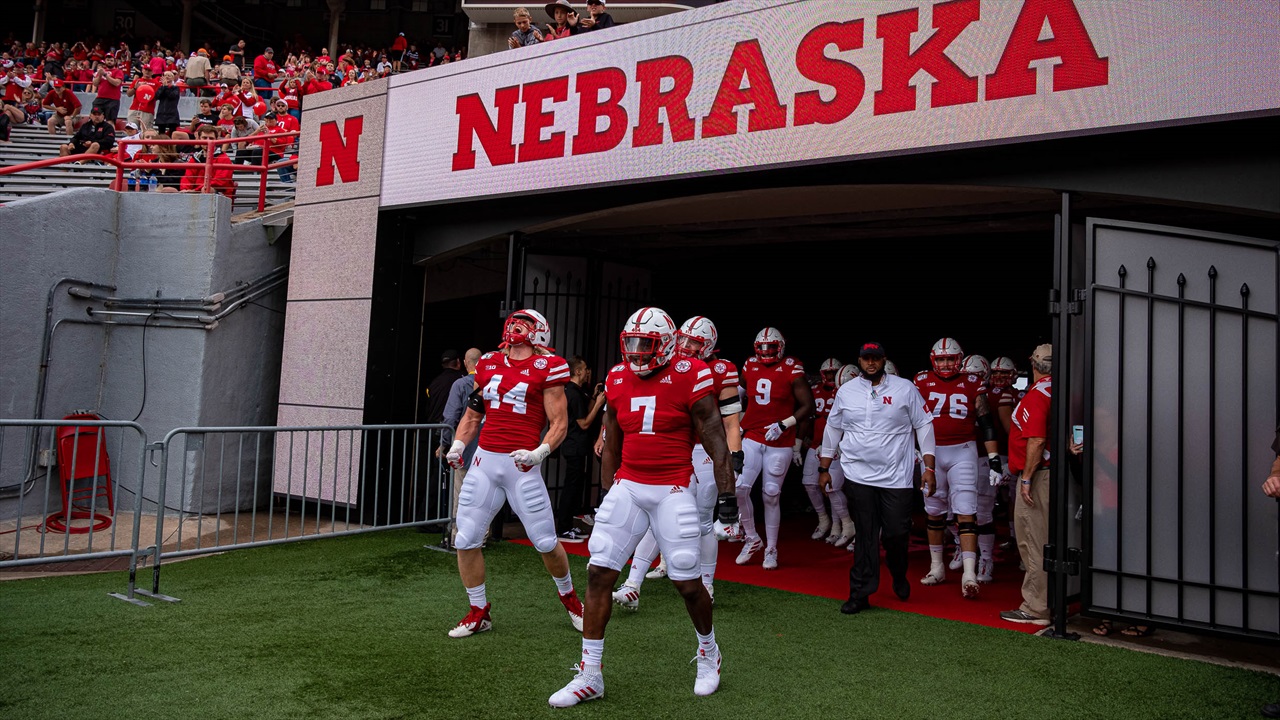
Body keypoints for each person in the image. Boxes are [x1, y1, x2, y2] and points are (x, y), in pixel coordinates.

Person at [549, 307, 735, 707]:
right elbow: (612, 438)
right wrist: (608, 491)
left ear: (665, 345)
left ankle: (709, 652)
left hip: (672, 486)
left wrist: (727, 496)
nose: (636, 351)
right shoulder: (618, 376)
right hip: (630, 484)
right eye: (631, 342)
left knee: (687, 581)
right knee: (599, 571)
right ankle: (590, 675)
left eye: (645, 344)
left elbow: (715, 436)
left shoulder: (690, 372)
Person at [442, 309, 583, 639]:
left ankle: (572, 601)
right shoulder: (489, 362)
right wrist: (459, 445)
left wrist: (539, 453)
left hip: (522, 465)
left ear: (540, 332)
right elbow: (473, 413)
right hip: (485, 462)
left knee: (546, 541)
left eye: (526, 322)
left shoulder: (548, 366)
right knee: (465, 539)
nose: (518, 325)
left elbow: (559, 423)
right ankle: (479, 612)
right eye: (515, 320)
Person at [612, 315, 743, 610]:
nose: (685, 345)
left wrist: (734, 457)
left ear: (708, 345)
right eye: (682, 338)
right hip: (672, 447)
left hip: (705, 450)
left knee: (703, 521)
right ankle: (633, 584)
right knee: (652, 515)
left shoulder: (721, 370)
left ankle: (706, 584)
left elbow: (731, 421)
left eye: (693, 342)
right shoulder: (664, 364)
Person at [819, 341, 936, 614]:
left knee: (896, 533)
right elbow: (832, 428)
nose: (871, 363)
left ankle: (898, 572)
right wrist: (824, 468)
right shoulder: (846, 391)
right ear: (859, 361)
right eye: (866, 358)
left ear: (884, 360)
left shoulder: (905, 388)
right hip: (857, 474)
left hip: (896, 475)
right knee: (866, 535)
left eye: (876, 358)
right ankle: (860, 593)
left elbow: (924, 425)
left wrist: (929, 467)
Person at [913, 338, 1003, 599]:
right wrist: (912, 448)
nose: (945, 364)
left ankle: (969, 573)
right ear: (933, 360)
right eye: (941, 359)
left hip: (963, 450)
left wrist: (994, 458)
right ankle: (937, 567)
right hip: (932, 451)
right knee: (934, 510)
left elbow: (986, 422)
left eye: (950, 359)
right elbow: (909, 419)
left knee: (966, 510)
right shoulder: (920, 381)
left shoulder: (973, 382)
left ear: (959, 359)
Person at [735, 326, 814, 569]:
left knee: (770, 494)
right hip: (753, 435)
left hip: (780, 439)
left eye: (771, 347)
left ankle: (771, 548)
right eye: (762, 347)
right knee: (739, 488)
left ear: (781, 347)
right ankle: (751, 537)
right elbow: (736, 394)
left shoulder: (792, 366)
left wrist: (784, 424)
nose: (767, 351)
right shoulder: (749, 365)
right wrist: (735, 421)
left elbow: (808, 405)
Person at [1000, 344, 1054, 626]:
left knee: (1033, 539)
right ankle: (1052, 600)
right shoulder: (1062, 388)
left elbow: (1036, 439)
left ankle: (1036, 607)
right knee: (1046, 538)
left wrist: (1027, 478)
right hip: (1052, 472)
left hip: (1039, 473)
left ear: (1033, 363)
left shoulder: (1038, 394)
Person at [803, 358, 856, 546]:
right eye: (828, 373)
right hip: (817, 443)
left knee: (832, 487)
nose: (832, 376)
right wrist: (802, 439)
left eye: (835, 373)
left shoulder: (846, 391)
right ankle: (824, 519)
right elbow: (808, 414)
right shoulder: (814, 390)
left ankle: (839, 525)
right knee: (809, 483)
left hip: (838, 445)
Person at [437, 348, 483, 546]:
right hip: (486, 449)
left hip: (464, 448)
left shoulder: (460, 384)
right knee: (483, 495)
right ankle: (481, 536)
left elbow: (450, 417)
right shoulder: (492, 384)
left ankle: (458, 536)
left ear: (465, 363)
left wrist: (444, 443)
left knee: (461, 494)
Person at [557, 356, 606, 540]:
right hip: (574, 446)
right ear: (577, 371)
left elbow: (585, 411)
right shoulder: (573, 393)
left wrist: (594, 397)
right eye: (585, 369)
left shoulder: (576, 391)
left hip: (577, 446)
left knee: (576, 486)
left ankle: (568, 525)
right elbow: (584, 423)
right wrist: (599, 405)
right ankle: (563, 528)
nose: (587, 372)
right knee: (571, 487)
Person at [180, 123, 236, 197]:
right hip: (196, 192)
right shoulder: (195, 158)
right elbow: (187, 178)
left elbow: (220, 182)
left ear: (217, 140)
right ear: (199, 139)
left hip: (219, 194)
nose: (208, 141)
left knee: (207, 190)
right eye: (204, 138)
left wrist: (195, 191)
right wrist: (185, 190)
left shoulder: (224, 158)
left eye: (211, 138)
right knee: (168, 190)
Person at [425, 349, 466, 424]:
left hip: (432, 427)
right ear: (458, 362)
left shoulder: (434, 383)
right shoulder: (463, 380)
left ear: (443, 365)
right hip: (450, 426)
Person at [91, 54, 125, 122]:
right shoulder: (101, 71)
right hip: (100, 98)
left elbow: (117, 83)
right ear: (105, 61)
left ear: (114, 62)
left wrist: (105, 75)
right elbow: (95, 83)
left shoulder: (118, 71)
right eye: (108, 60)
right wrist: (100, 75)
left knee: (110, 121)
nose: (109, 62)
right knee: (95, 119)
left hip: (113, 99)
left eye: (111, 60)